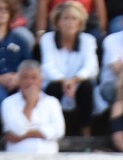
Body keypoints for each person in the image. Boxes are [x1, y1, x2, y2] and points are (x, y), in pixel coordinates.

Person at [39, 1, 97, 135]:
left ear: (80, 23)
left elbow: (92, 68)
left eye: (74, 19)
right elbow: (48, 67)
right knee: (53, 87)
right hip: (57, 83)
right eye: (65, 18)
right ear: (58, 21)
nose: (69, 22)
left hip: (78, 83)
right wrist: (64, 81)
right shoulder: (47, 39)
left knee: (87, 87)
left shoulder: (88, 40)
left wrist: (75, 80)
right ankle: (54, 132)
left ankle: (86, 134)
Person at [2, 60, 65, 150]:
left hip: (48, 159)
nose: (30, 82)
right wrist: (29, 104)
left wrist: (24, 135)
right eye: (25, 77)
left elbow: (59, 131)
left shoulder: (52, 102)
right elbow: (17, 130)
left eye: (34, 77)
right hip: (17, 159)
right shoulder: (8, 103)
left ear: (41, 81)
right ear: (19, 80)